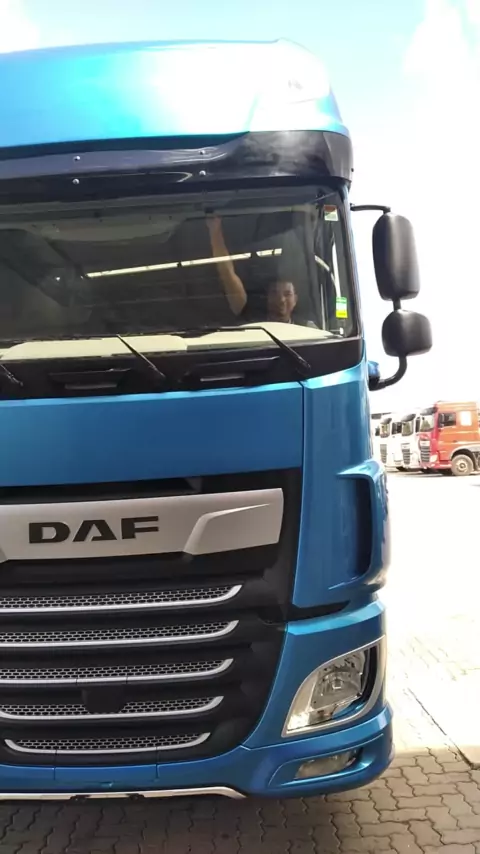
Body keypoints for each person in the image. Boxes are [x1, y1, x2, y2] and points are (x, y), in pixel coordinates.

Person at [207, 216, 299, 324]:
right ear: (267, 297)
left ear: (295, 300)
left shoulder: (308, 330)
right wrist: (215, 231)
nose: (281, 300)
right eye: (274, 293)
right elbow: (227, 274)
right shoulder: (252, 322)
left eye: (287, 294)